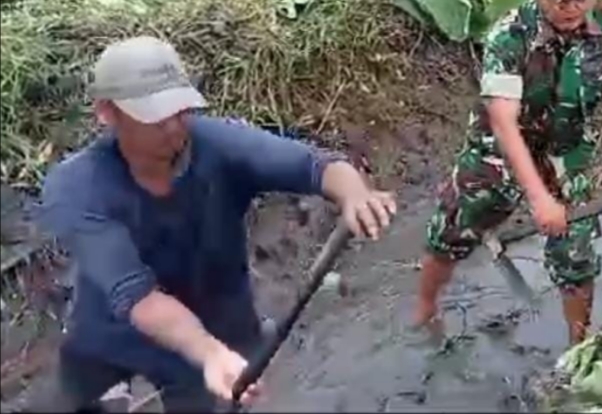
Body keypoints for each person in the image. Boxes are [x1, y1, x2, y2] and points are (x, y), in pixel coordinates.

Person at [33, 36, 398, 412]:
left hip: (219, 322)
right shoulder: (77, 186)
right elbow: (137, 295)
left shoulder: (218, 144)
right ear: (108, 112)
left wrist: (355, 194)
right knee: (86, 398)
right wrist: (205, 351)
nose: (174, 127)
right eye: (155, 118)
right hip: (113, 331)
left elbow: (316, 166)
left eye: (180, 110)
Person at [413, 0, 602, 346]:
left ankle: (578, 346)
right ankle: (425, 309)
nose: (571, 8)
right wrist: (539, 198)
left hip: (567, 149)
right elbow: (504, 124)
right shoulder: (509, 35)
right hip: (500, 146)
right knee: (452, 231)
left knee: (576, 254)